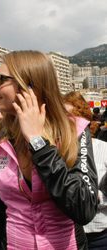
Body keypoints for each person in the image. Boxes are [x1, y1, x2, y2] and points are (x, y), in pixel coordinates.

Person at [0, 50, 98, 249]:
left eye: (1, 79)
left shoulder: (74, 130)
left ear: (29, 86)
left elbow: (84, 208)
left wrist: (38, 142)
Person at [64, 91, 107, 250]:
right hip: (68, 237)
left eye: (72, 116)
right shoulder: (54, 152)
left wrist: (96, 197)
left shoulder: (103, 148)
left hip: (100, 235)